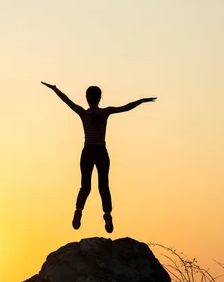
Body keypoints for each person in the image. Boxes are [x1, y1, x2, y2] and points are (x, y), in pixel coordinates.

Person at [41, 82, 156, 233]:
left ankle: (78, 210)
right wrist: (142, 101)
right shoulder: (105, 112)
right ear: (100, 98)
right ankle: (107, 214)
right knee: (104, 186)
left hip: (88, 151)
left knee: (85, 186)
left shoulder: (83, 113)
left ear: (87, 98)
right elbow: (126, 107)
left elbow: (66, 100)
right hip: (101, 151)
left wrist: (55, 89)